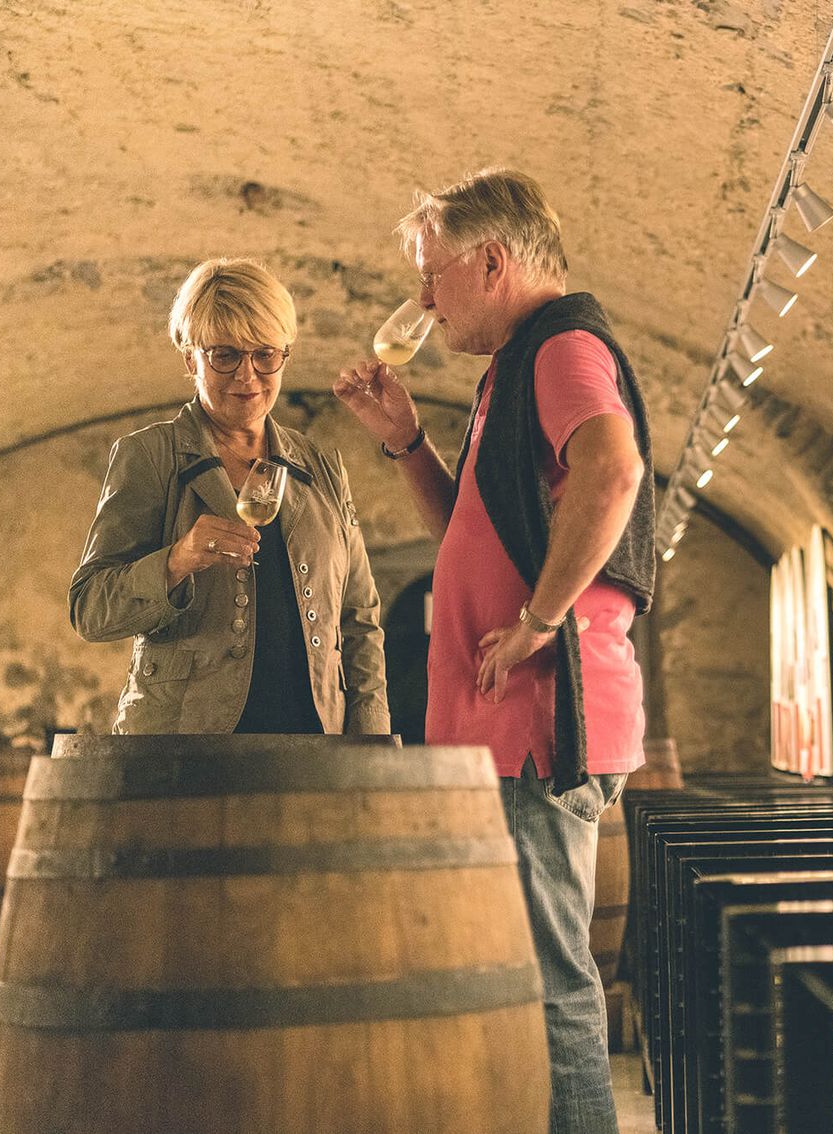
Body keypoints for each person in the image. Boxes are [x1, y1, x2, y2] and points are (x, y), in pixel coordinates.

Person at [334, 168, 653, 1133]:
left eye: (433, 274)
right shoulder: (513, 370)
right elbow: (471, 538)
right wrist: (406, 443)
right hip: (510, 727)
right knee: (526, 977)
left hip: (538, 722)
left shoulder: (560, 347)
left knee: (550, 985)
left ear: (491, 262)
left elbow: (614, 469)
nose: (424, 300)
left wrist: (541, 622)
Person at [71, 258, 390, 736]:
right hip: (184, 745)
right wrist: (175, 561)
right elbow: (89, 609)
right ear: (190, 358)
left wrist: (373, 741)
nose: (248, 376)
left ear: (284, 355)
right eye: (224, 355)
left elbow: (359, 618)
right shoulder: (150, 456)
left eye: (265, 355)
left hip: (314, 747)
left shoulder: (322, 465)